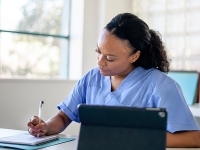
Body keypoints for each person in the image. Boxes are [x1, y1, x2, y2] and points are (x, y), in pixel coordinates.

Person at [27, 13, 200, 147]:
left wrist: (140, 140)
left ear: (135, 56)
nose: (100, 62)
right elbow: (64, 117)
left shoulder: (161, 86)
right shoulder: (91, 79)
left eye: (110, 58)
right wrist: (46, 127)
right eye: (98, 52)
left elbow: (193, 138)